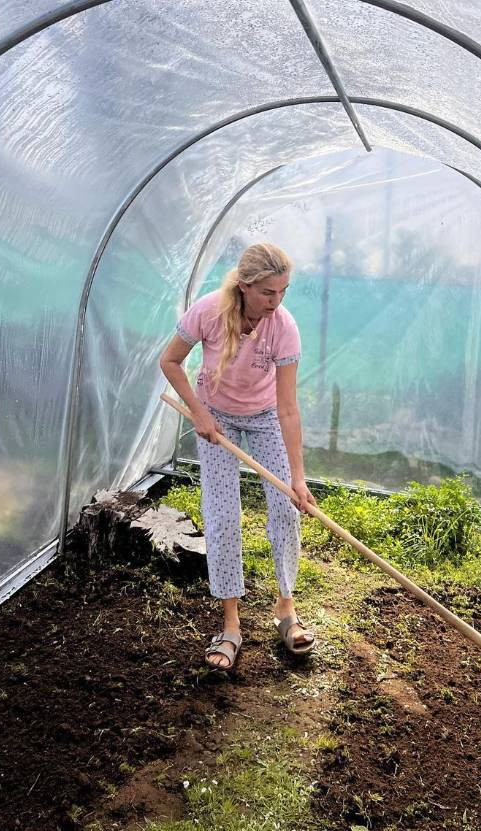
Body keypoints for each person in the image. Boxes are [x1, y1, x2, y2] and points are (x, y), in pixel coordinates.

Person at [159, 242, 317, 671]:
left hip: (265, 415)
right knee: (223, 514)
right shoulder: (209, 311)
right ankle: (231, 624)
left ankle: (286, 607)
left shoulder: (284, 326)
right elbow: (170, 360)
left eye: (283, 291)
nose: (277, 301)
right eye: (269, 293)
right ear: (245, 286)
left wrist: (298, 479)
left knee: (286, 505)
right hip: (217, 419)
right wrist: (198, 411)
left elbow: (287, 407)